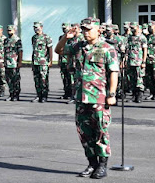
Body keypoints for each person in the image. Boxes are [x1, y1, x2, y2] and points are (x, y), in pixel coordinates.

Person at [55, 17, 119, 179]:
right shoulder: (78, 47)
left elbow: (114, 72)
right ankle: (92, 164)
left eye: (89, 29)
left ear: (98, 30)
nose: (86, 32)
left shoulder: (106, 48)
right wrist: (66, 38)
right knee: (84, 133)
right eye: (83, 29)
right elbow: (58, 50)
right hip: (81, 97)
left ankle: (103, 165)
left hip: (99, 97)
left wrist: (112, 94)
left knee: (100, 132)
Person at [31, 21, 53, 103]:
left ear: (41, 27)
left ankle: (44, 96)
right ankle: (38, 95)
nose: (36, 29)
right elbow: (34, 50)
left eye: (37, 27)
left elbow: (50, 49)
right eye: (34, 27)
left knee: (44, 79)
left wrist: (50, 60)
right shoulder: (34, 38)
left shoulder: (46, 37)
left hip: (43, 62)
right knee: (37, 80)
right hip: (35, 61)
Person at [126, 22, 147, 103]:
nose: (132, 29)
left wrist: (144, 61)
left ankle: (139, 95)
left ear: (138, 28)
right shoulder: (130, 37)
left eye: (133, 27)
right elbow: (128, 49)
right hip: (131, 61)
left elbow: (145, 50)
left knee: (139, 79)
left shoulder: (142, 38)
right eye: (131, 27)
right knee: (132, 79)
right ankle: (134, 95)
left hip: (138, 61)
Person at [4, 25, 23, 101]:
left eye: (10, 30)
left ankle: (16, 95)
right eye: (8, 30)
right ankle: (11, 94)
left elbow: (20, 51)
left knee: (15, 80)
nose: (9, 32)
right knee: (8, 80)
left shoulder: (17, 40)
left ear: (14, 30)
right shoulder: (6, 40)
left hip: (14, 63)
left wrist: (20, 62)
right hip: (7, 63)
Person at [59, 23, 72, 100]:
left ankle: (72, 94)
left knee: (71, 78)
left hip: (69, 60)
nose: (64, 29)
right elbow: (59, 49)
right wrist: (58, 60)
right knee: (64, 78)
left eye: (65, 28)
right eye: (63, 28)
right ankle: (66, 93)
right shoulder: (61, 37)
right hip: (62, 60)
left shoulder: (72, 37)